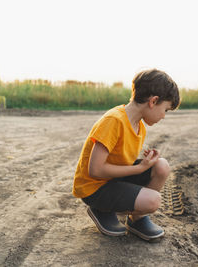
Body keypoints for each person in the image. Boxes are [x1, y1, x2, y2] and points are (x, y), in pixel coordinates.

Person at [72, 69, 180, 241]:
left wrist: (146, 162)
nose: (164, 116)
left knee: (162, 165)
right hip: (95, 188)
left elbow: (120, 159)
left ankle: (137, 218)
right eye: (165, 110)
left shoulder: (139, 125)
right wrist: (139, 169)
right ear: (153, 101)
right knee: (153, 200)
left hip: (112, 182)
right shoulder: (114, 120)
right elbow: (95, 170)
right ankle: (101, 208)